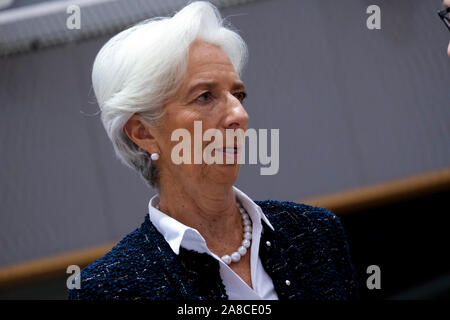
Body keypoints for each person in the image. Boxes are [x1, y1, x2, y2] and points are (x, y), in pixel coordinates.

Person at [68, 1, 359, 300]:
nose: (240, 115)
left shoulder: (316, 234)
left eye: (238, 94)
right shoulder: (108, 289)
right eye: (205, 96)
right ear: (143, 133)